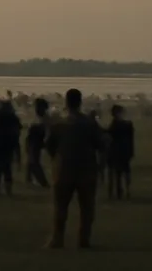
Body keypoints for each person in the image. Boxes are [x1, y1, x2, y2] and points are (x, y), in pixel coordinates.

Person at [44, 88, 106, 250]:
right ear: (80, 102)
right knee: (87, 208)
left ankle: (57, 239)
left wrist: (57, 159)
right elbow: (103, 144)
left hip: (64, 169)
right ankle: (83, 240)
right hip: (86, 170)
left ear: (66, 102)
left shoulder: (59, 124)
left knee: (60, 207)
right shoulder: (90, 124)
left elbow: (49, 145)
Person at [107, 105, 135, 200]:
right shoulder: (127, 124)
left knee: (118, 173)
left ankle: (120, 191)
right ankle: (127, 190)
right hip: (125, 151)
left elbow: (109, 135)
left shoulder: (114, 124)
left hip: (116, 151)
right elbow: (131, 139)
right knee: (125, 172)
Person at [25, 98, 51, 188]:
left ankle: (43, 182)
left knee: (34, 162)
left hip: (36, 141)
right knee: (31, 160)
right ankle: (29, 179)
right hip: (33, 140)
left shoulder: (44, 118)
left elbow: (47, 131)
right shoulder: (38, 116)